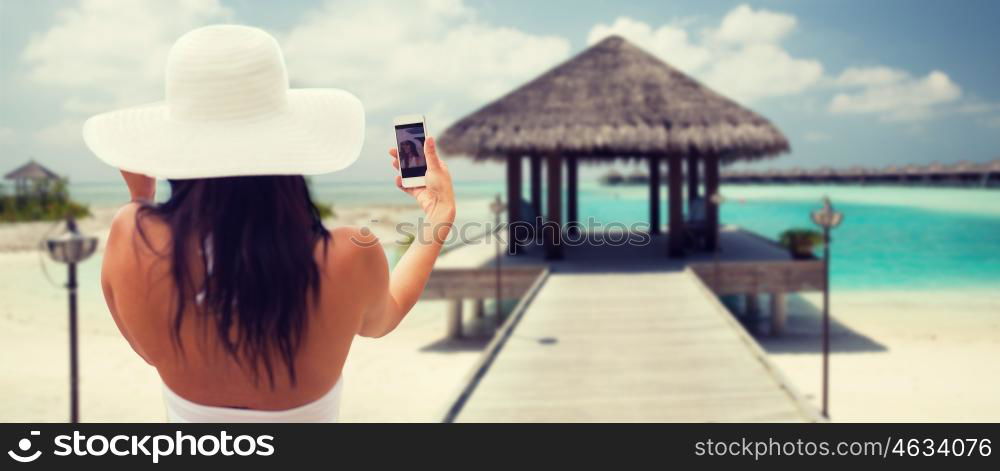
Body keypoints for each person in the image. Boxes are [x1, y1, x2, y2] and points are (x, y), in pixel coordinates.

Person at [84, 25, 455, 422]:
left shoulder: (132, 236)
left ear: (178, 146)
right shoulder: (348, 254)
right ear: (288, 142)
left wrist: (141, 199)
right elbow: (387, 314)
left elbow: (147, 345)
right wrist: (439, 217)